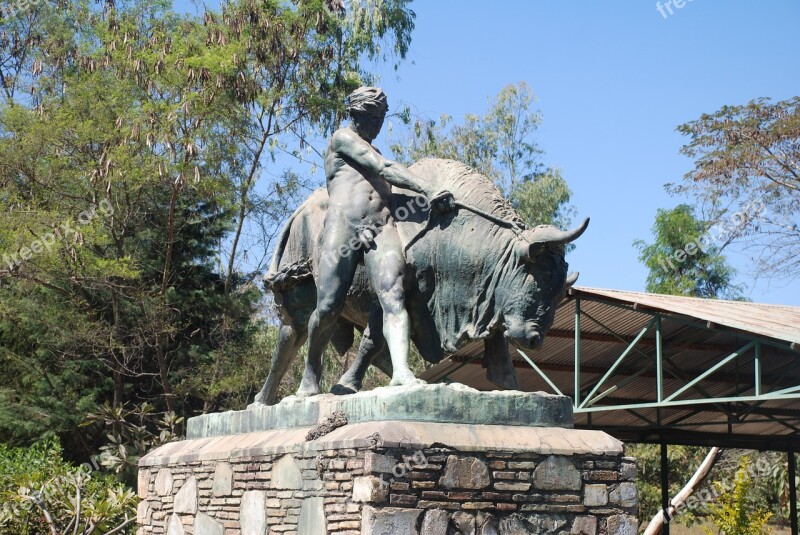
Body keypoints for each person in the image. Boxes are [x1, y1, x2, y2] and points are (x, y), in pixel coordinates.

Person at [296, 86, 454, 396]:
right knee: (328, 307)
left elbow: (390, 182)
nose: (377, 123)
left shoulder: (376, 153)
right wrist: (428, 187)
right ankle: (310, 375)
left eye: (381, 117)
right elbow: (384, 168)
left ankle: (401, 372)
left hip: (381, 228)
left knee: (393, 297)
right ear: (354, 114)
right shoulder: (342, 139)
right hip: (344, 227)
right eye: (371, 117)